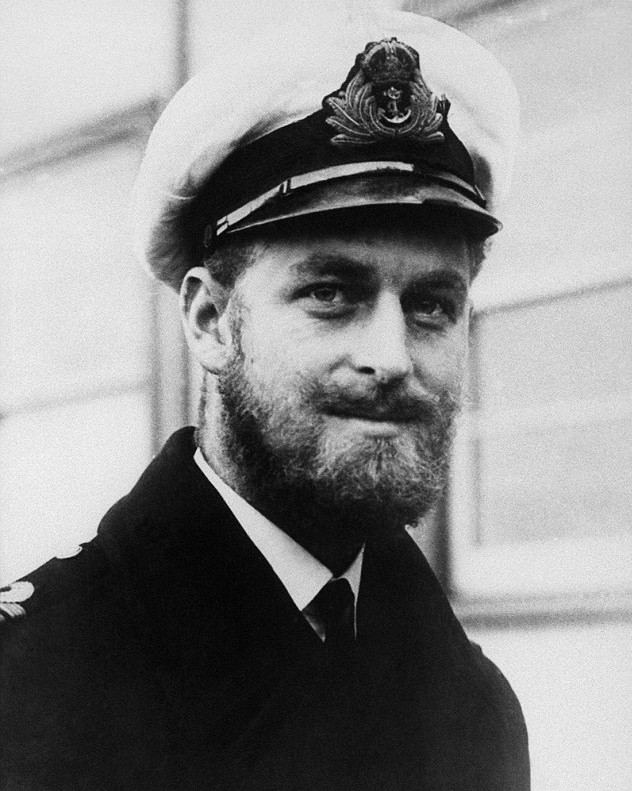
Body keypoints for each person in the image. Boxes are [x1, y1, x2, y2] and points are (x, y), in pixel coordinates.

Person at [0, 10, 529, 790]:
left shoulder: (474, 706)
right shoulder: (32, 692)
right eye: (330, 292)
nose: (390, 357)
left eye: (431, 305)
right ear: (211, 321)